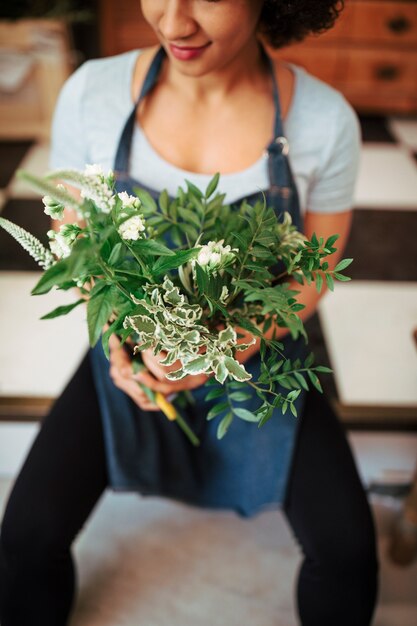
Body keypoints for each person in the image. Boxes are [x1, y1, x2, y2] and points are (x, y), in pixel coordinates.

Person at [0, 1, 379, 624]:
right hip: (137, 347)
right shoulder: (91, 93)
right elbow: (74, 236)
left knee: (347, 554)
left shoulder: (323, 120)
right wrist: (123, 346)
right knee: (25, 536)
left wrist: (233, 343)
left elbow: (318, 268)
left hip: (256, 358)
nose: (174, 23)